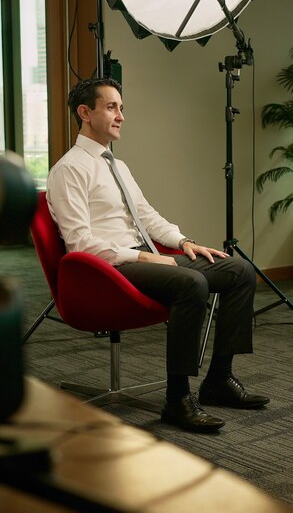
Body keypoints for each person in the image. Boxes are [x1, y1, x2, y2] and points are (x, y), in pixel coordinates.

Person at [47, 77, 269, 434]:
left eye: (121, 108)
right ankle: (177, 399)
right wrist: (148, 259)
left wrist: (183, 243)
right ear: (84, 113)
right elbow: (80, 244)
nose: (120, 116)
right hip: (111, 269)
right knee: (192, 284)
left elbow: (146, 216)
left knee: (239, 271)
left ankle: (218, 380)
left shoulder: (117, 166)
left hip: (146, 259)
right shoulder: (69, 169)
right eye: (111, 107)